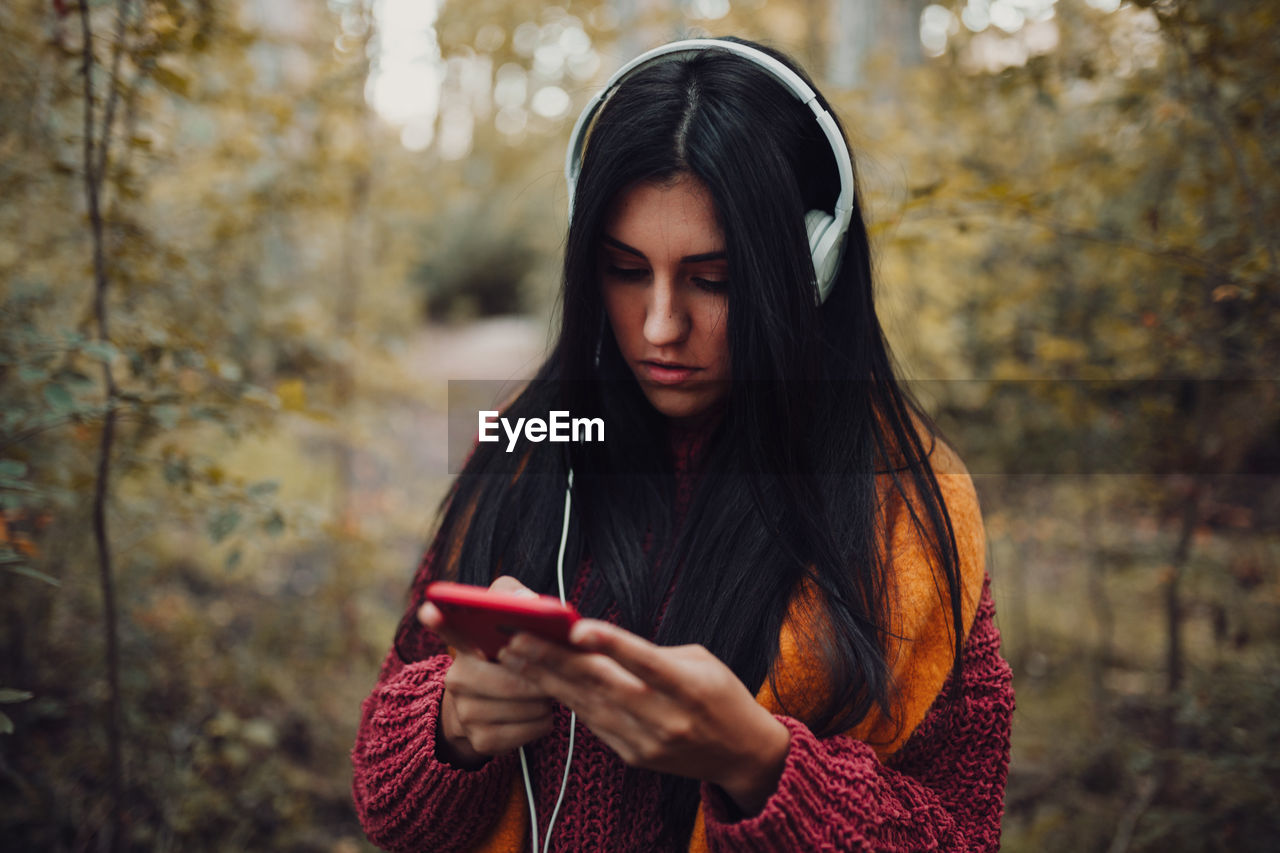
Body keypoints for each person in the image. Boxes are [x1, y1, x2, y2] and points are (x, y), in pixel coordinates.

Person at [352, 36, 1013, 852]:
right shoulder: (532, 446)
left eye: (716, 279)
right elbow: (384, 801)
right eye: (627, 271)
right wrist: (447, 724)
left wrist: (763, 766)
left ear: (812, 265)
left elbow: (959, 832)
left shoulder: (907, 506)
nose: (661, 327)